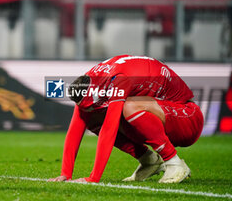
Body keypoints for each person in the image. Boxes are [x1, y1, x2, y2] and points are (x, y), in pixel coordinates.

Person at [48, 55, 204, 183]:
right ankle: (149, 160)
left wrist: (93, 178)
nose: (88, 109)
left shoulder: (119, 79)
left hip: (188, 118)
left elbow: (109, 129)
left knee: (129, 107)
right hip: (165, 114)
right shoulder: (90, 82)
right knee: (93, 118)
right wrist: (65, 174)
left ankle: (173, 162)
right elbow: (75, 128)